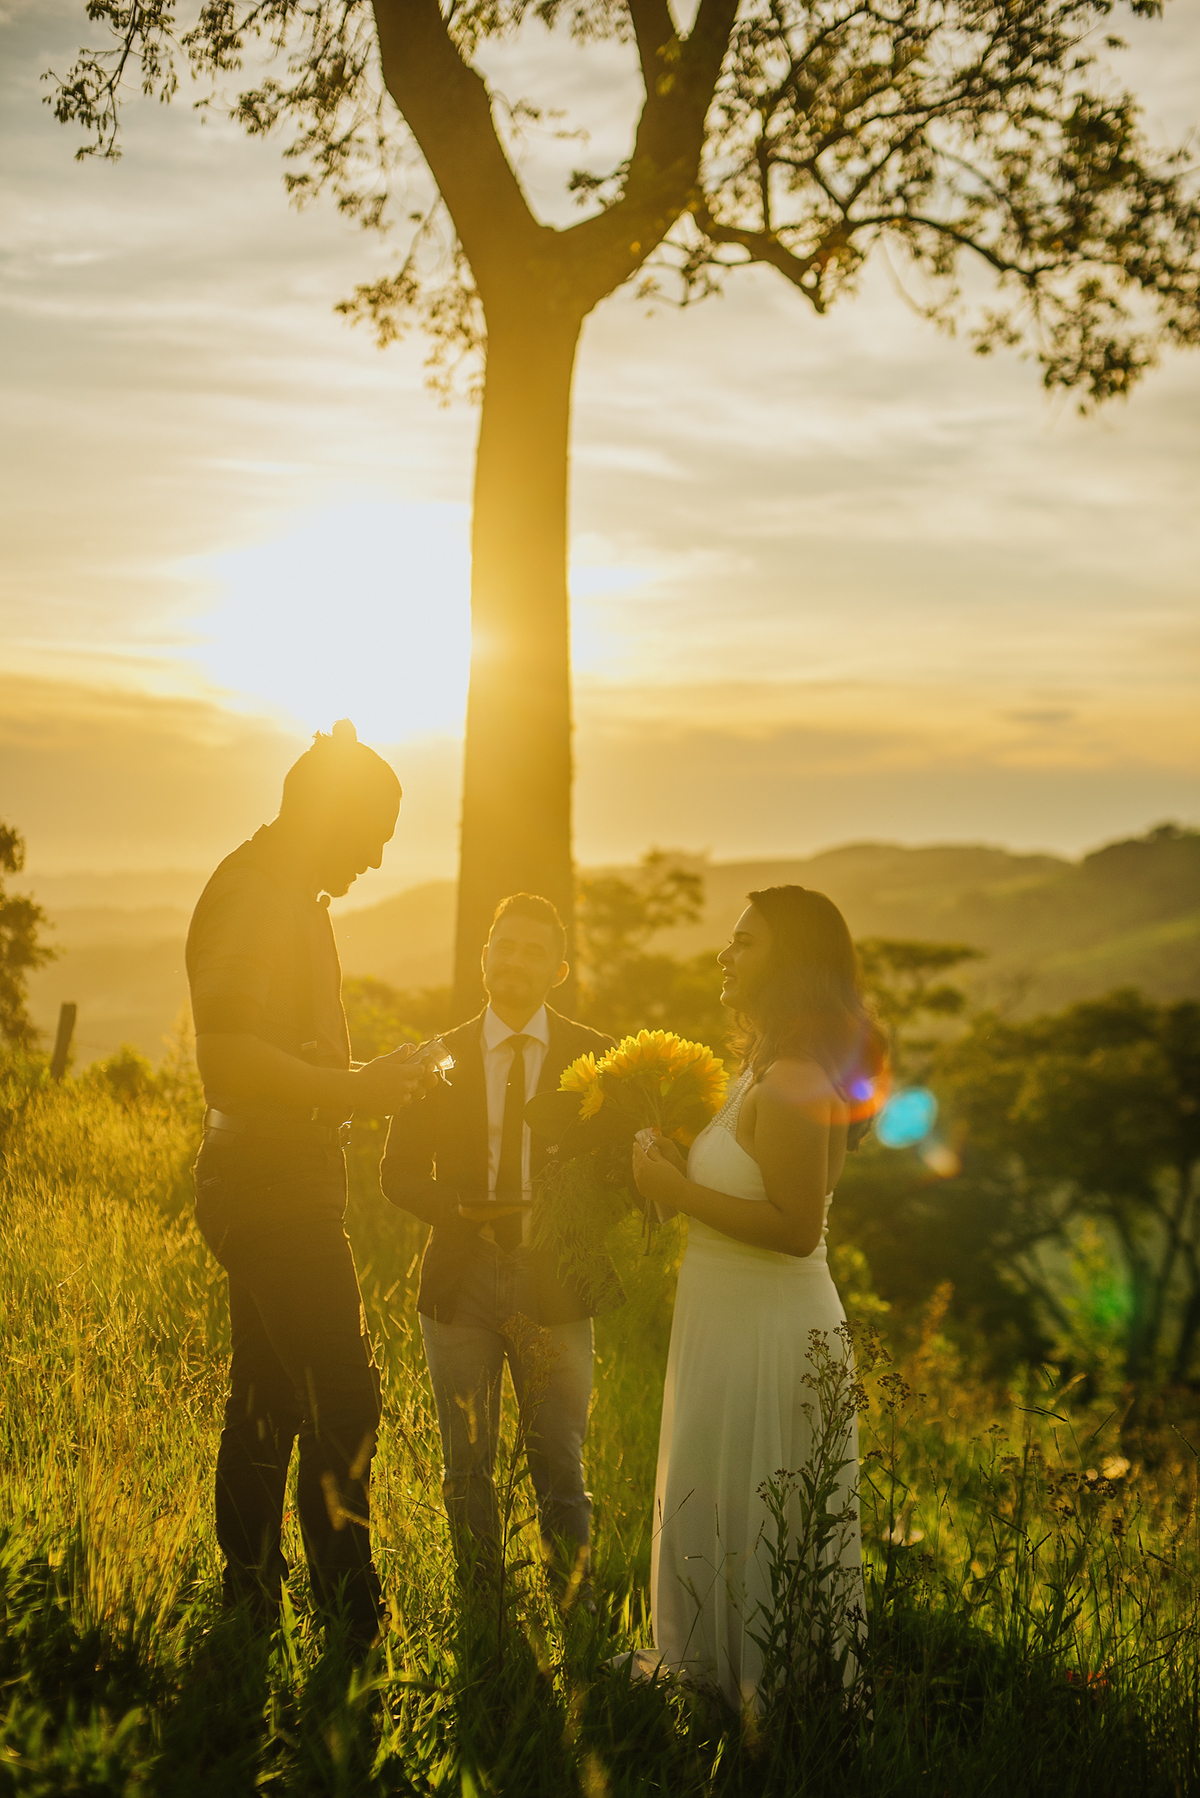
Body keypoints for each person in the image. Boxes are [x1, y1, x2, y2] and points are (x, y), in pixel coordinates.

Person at [188, 719, 425, 1651]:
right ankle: (351, 1625)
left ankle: (248, 1605)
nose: (377, 858)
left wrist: (371, 1081)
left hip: (281, 1178)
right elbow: (227, 1060)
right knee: (345, 1400)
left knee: (269, 1396)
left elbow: (285, 1057)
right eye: (373, 835)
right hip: (266, 1186)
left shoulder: (292, 895)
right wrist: (354, 1090)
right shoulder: (253, 895)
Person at [628, 885, 886, 1711]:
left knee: (759, 1507)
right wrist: (677, 1168)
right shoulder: (760, 1068)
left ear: (791, 962)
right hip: (725, 1319)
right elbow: (749, 1184)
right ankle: (707, 1677)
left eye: (745, 941)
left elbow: (796, 1229)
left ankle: (770, 1701)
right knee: (715, 1492)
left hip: (771, 1330)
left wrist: (675, 1189)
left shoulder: (796, 1077)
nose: (725, 954)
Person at [380, 894, 614, 1607]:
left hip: (558, 1278)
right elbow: (396, 1175)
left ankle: (575, 1610)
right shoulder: (436, 1056)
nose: (514, 960)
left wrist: (575, 1210)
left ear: (559, 971)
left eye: (533, 951)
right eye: (504, 946)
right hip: (463, 1278)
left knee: (560, 1463)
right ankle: (481, 1608)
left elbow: (620, 1174)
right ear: (484, 956)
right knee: (466, 1465)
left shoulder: (598, 1059)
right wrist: (456, 1212)